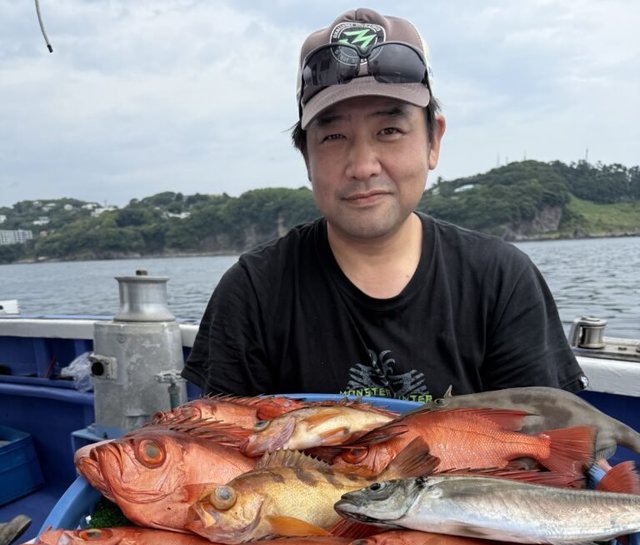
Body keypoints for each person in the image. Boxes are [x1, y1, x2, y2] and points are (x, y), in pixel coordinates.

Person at [183, 8, 586, 402]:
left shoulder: (501, 281)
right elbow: (226, 450)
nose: (362, 166)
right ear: (307, 156)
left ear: (433, 141)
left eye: (390, 130)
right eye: (334, 137)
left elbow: (543, 442)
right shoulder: (253, 291)